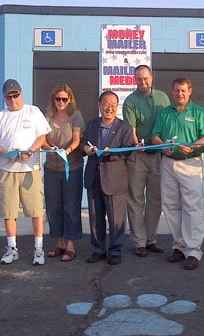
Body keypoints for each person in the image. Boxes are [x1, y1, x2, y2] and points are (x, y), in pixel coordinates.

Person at [151, 78, 204, 270]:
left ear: (190, 91)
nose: (180, 94)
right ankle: (179, 246)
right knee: (171, 206)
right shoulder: (165, 113)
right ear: (172, 92)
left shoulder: (199, 112)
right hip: (168, 163)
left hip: (190, 163)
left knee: (192, 207)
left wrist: (193, 146)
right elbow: (155, 135)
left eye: (183, 90)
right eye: (177, 90)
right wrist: (164, 147)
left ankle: (194, 250)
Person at [0, 79, 50, 265]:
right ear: (4, 97)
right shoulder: (0, 116)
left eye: (16, 95)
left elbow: (42, 137)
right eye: (9, 96)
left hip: (30, 169)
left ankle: (38, 249)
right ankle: (12, 248)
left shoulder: (33, 111)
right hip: (7, 170)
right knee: (9, 211)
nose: (13, 99)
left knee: (36, 210)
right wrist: (6, 154)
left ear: (21, 94)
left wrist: (31, 150)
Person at [123, 65, 171, 257]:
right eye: (139, 79)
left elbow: (167, 123)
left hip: (159, 156)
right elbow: (131, 130)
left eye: (145, 78)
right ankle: (139, 242)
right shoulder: (130, 101)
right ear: (134, 80)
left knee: (155, 199)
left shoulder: (163, 98)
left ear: (152, 77)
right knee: (135, 199)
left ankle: (151, 239)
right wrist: (137, 144)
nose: (143, 82)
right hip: (138, 156)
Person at [82, 91, 134, 265]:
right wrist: (85, 150)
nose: (109, 108)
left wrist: (109, 153)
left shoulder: (125, 127)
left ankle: (115, 251)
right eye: (105, 103)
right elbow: (83, 143)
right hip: (94, 177)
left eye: (113, 104)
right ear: (99, 105)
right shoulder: (91, 125)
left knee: (116, 218)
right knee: (95, 217)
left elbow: (128, 150)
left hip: (114, 179)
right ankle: (98, 250)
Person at [42, 84, 85, 262]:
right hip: (51, 169)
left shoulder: (75, 116)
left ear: (70, 99)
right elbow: (42, 140)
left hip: (71, 168)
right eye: (57, 99)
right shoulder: (48, 116)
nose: (61, 102)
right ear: (53, 99)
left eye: (64, 99)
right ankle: (59, 243)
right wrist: (51, 148)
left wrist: (66, 151)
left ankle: (70, 245)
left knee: (71, 206)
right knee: (54, 207)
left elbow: (77, 140)